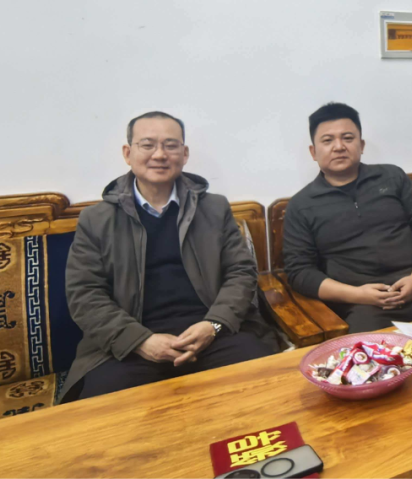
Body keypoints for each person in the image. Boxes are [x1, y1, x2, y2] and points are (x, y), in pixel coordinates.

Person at [61, 111, 278, 402]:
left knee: (268, 390)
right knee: (107, 412)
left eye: (171, 145)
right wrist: (140, 341)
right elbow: (85, 294)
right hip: (130, 345)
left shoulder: (214, 208)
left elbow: (241, 272)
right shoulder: (96, 220)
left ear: (184, 154)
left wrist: (213, 325)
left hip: (212, 334)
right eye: (147, 144)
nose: (160, 154)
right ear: (128, 153)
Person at [283, 102, 412, 333]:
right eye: (327, 140)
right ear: (313, 152)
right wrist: (358, 294)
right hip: (364, 305)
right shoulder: (301, 206)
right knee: (367, 353)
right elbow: (300, 272)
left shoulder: (392, 177)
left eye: (347, 138)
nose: (339, 147)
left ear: (361, 145)